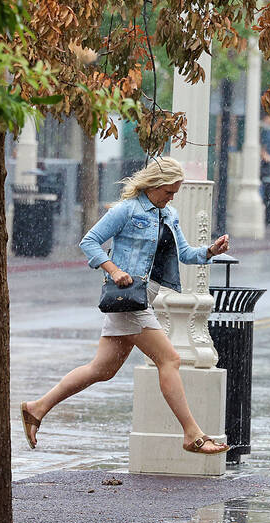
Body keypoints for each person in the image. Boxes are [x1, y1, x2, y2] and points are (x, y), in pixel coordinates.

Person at [19, 157, 231, 456]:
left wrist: (210, 250)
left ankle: (37, 408)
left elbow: (185, 254)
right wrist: (114, 270)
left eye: (175, 193)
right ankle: (191, 432)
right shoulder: (127, 210)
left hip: (142, 300)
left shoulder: (168, 215)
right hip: (130, 298)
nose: (172, 197)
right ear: (154, 185)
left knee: (101, 369)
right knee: (169, 359)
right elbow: (89, 241)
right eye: (169, 191)